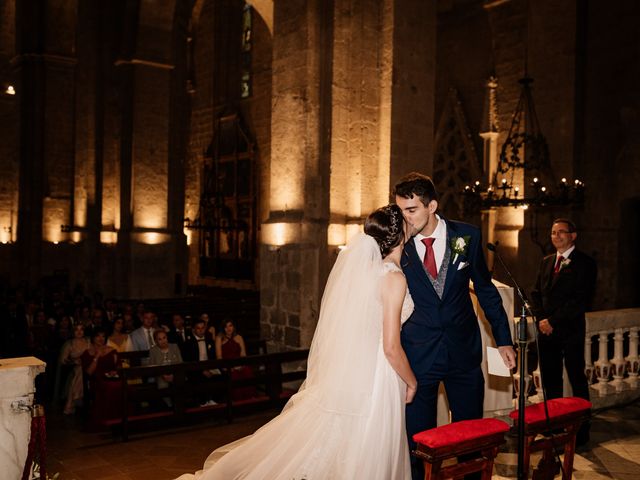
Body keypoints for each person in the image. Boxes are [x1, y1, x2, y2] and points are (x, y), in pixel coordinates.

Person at [177, 204, 417, 480]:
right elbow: (390, 346)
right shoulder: (394, 278)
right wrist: (411, 381)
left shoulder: (366, 275)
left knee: (349, 442)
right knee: (368, 445)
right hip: (378, 375)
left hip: (356, 370)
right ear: (399, 236)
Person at [394, 172, 516, 480]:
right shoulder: (399, 245)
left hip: (463, 353)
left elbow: (486, 291)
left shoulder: (467, 236)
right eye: (401, 211)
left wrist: (504, 339)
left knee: (469, 436)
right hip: (418, 356)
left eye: (412, 210)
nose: (405, 219)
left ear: (432, 205)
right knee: (418, 441)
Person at [530, 218, 596, 445]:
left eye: (561, 232)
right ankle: (553, 426)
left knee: (577, 378)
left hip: (570, 330)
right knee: (550, 381)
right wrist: (541, 319)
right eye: (553, 233)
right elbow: (535, 293)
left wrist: (553, 321)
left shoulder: (585, 263)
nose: (556, 236)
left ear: (573, 235)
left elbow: (580, 300)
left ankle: (582, 430)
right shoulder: (547, 261)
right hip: (546, 332)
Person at [215, 318, 255, 400]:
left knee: (247, 371)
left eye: (230, 326)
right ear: (223, 328)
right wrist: (228, 367)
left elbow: (243, 354)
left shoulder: (239, 337)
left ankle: (250, 398)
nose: (228, 329)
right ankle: (238, 400)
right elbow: (219, 357)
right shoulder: (219, 338)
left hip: (239, 363)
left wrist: (241, 365)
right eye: (226, 327)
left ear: (233, 327)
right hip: (226, 365)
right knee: (234, 375)